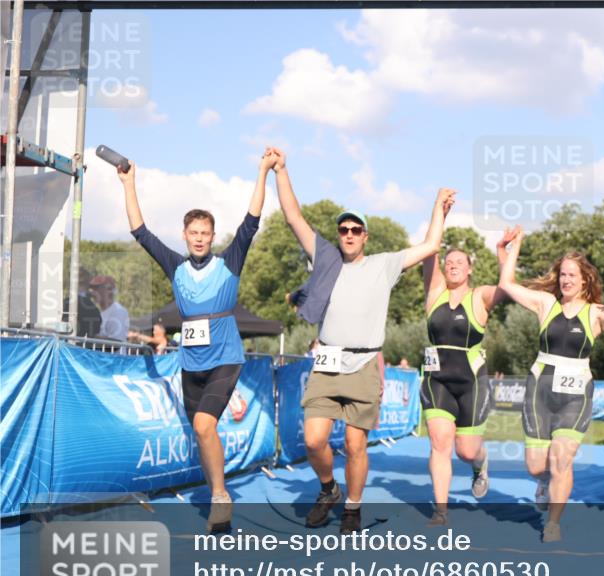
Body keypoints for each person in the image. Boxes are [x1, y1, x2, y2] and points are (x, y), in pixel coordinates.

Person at [269, 148, 449, 533]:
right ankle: (328, 489)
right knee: (314, 440)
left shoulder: (384, 265)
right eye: (343, 229)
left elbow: (431, 245)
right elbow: (293, 216)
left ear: (365, 236)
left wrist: (439, 207)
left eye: (355, 230)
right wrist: (281, 170)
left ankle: (352, 507)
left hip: (365, 364)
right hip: (328, 362)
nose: (348, 234)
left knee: (355, 445)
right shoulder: (325, 258)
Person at [117, 149, 276, 532]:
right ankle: (217, 491)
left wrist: (263, 171)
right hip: (191, 363)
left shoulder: (229, 262)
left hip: (225, 358)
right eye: (194, 233)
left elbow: (251, 220)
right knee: (202, 433)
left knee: (205, 426)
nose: (200, 238)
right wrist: (129, 184)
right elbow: (141, 233)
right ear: (185, 236)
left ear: (213, 237)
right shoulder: (176, 266)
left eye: (205, 233)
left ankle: (220, 498)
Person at [498, 227, 604, 542]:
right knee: (536, 466)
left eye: (572, 275)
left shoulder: (595, 313)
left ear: (584, 279)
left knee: (561, 460)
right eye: (562, 274)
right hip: (540, 390)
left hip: (575, 396)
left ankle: (553, 523)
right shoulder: (545, 304)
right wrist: (514, 245)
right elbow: (506, 284)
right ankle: (543, 481)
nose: (566, 280)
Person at [420, 228, 518, 526]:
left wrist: (503, 253)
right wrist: (440, 213)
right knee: (439, 443)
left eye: (459, 262)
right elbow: (429, 252)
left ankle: (479, 462)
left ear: (470, 269)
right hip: (436, 381)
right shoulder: (434, 293)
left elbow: (507, 287)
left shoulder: (480, 296)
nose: (452, 265)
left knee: (466, 450)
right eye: (448, 262)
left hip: (471, 383)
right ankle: (441, 511)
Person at [63, 267, 103, 338]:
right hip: (86, 343)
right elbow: (96, 329)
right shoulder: (92, 307)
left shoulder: (66, 303)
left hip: (66, 342)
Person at [89, 275, 130, 341]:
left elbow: (116, 342)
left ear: (109, 290)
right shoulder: (99, 311)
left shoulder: (118, 311)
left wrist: (91, 337)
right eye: (92, 289)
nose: (92, 293)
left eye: (97, 289)